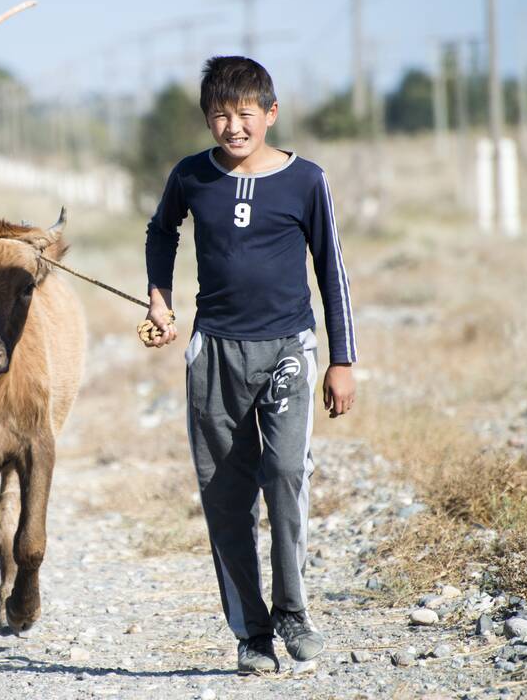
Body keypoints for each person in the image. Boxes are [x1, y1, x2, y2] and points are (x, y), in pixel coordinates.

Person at [142, 56, 357, 674]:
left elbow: (332, 271)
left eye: (245, 114)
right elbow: (161, 233)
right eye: (219, 115)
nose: (233, 127)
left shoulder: (306, 180)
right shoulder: (191, 176)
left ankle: (293, 612)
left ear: (270, 114)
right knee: (225, 493)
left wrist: (341, 359)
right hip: (214, 352)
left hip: (289, 345)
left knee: (286, 471)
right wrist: (160, 297)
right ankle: (251, 632)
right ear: (207, 118)